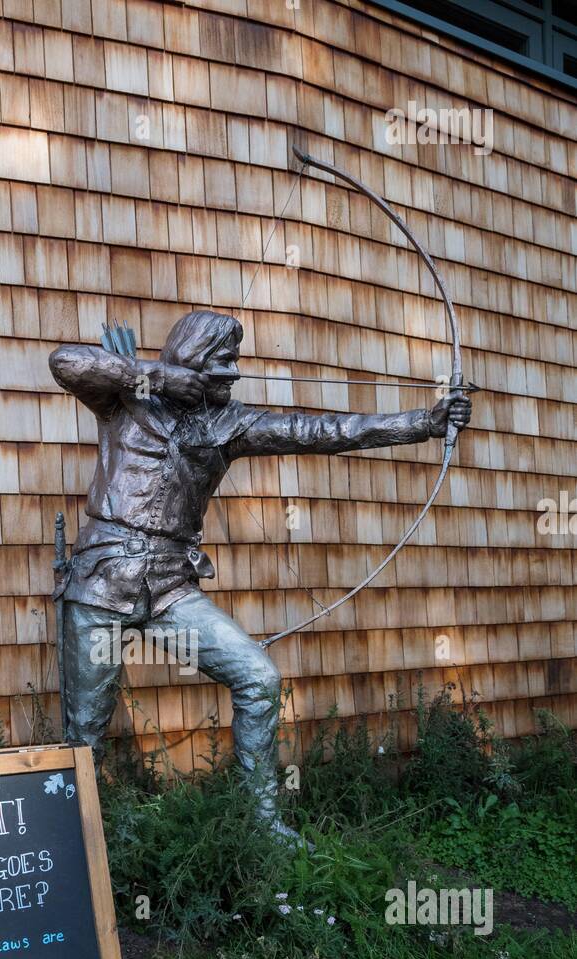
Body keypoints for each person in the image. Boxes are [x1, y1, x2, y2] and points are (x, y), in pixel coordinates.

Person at [49, 310, 471, 842]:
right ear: (191, 360)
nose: (233, 374)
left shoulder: (232, 424)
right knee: (84, 731)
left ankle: (261, 823)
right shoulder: (127, 398)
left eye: (235, 362)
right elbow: (66, 362)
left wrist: (425, 424)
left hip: (169, 588)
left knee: (258, 678)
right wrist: (155, 375)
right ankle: (72, 845)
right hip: (99, 581)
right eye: (222, 361)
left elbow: (324, 431)